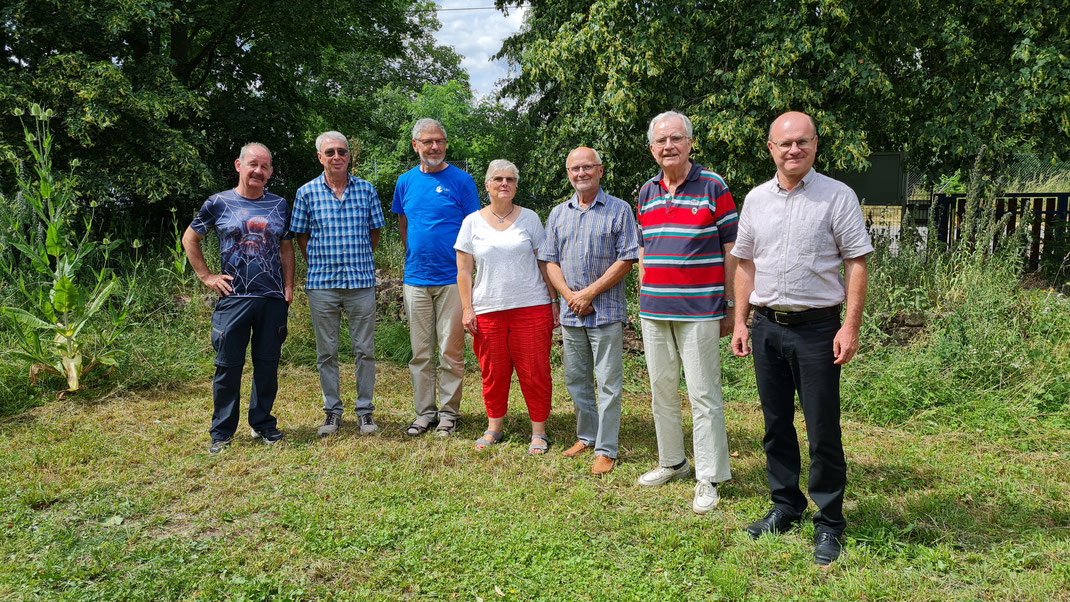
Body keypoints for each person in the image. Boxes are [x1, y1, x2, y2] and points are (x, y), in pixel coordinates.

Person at [730, 111, 873, 566]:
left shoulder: (837, 196)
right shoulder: (755, 200)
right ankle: (785, 505)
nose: (794, 150)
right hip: (767, 327)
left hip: (817, 330)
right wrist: (740, 321)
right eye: (784, 143)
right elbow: (746, 264)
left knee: (822, 428)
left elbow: (856, 262)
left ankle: (829, 522)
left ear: (815, 145)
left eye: (802, 142)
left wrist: (850, 326)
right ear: (770, 148)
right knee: (775, 425)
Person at [635, 111, 738, 515]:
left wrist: (729, 305)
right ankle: (673, 462)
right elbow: (644, 246)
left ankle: (708, 476)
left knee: (703, 394)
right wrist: (646, 285)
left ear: (690, 143)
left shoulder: (713, 186)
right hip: (654, 310)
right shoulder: (645, 192)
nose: (668, 147)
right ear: (652, 149)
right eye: (661, 141)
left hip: (700, 309)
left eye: (676, 139)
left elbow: (732, 249)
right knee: (661, 390)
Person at [182, 143, 295, 454]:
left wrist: (288, 286)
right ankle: (221, 432)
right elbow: (190, 237)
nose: (258, 171)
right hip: (233, 297)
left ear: (270, 172)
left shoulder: (280, 205)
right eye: (253, 164)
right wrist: (207, 276)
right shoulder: (218, 203)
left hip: (272, 297)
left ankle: (263, 424)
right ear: (239, 165)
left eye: (265, 166)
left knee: (267, 365)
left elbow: (287, 248)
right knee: (228, 366)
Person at [538, 147, 638, 475]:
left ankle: (607, 449)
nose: (581, 173)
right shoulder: (558, 213)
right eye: (574, 168)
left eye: (587, 167)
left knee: (608, 381)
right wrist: (569, 295)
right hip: (571, 313)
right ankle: (587, 436)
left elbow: (627, 258)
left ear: (600, 170)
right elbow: (549, 260)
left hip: (605, 311)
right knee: (576, 379)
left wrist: (590, 292)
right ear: (568, 173)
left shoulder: (619, 210)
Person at [455, 159, 560, 454]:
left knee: (535, 371)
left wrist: (553, 300)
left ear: (515, 186)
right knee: (493, 371)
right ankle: (494, 427)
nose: (504, 184)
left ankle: (538, 431)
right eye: (498, 179)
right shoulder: (471, 222)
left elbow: (544, 262)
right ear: (486, 185)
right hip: (488, 309)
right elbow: (463, 271)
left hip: (531, 306)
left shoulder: (530, 219)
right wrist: (467, 308)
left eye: (510, 180)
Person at [290, 131, 386, 438]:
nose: (336, 157)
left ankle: (365, 411)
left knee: (365, 349)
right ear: (320, 157)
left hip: (360, 282)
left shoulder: (366, 191)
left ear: (349, 156)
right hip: (322, 284)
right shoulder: (306, 193)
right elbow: (301, 237)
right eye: (329, 152)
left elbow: (374, 233)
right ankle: (332, 411)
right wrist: (321, 262)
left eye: (342, 151)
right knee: (326, 351)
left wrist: (358, 260)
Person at [392, 119, 480, 437]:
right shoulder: (404, 182)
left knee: (450, 351)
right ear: (415, 145)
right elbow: (404, 224)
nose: (434, 147)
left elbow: (473, 229)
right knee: (420, 352)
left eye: (439, 141)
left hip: (453, 280)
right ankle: (424, 413)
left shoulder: (462, 181)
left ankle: (449, 414)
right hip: (416, 277)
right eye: (427, 142)